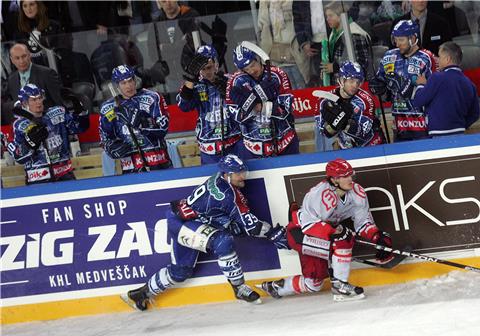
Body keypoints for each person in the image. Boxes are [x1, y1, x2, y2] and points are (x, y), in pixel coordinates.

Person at [121, 154, 289, 310]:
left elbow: (220, 214)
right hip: (183, 223)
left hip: (185, 221)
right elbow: (252, 227)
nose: (243, 176)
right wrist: (273, 233)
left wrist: (231, 224)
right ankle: (239, 288)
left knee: (181, 272)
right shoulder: (227, 194)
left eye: (243, 171)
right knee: (223, 242)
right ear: (226, 174)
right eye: (238, 173)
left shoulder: (222, 182)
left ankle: (139, 294)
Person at [258, 158, 398, 302]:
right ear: (334, 179)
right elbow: (309, 225)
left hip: (318, 233)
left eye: (351, 174)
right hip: (300, 233)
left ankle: (276, 287)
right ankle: (339, 286)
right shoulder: (318, 195)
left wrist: (376, 236)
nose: (351, 179)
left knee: (313, 284)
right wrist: (334, 233)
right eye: (345, 176)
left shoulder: (357, 193)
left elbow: (363, 222)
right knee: (343, 239)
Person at [226, 43, 299, 159]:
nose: (251, 71)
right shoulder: (235, 81)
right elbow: (235, 116)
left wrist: (254, 105)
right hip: (253, 146)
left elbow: (286, 109)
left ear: (258, 58)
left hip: (285, 142)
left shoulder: (278, 74)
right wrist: (261, 96)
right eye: (246, 69)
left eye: (253, 65)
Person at [6, 84, 89, 185]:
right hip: (37, 179)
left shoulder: (58, 112)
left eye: (40, 98)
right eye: (33, 100)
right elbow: (19, 157)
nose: (38, 102)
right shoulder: (20, 125)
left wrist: (79, 111)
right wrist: (29, 143)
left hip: (65, 175)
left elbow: (80, 128)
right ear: (24, 103)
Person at [369, 19, 436, 141]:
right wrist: (378, 87)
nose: (397, 43)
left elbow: (435, 89)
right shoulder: (389, 56)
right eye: (395, 39)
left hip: (422, 124)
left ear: (413, 38)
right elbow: (382, 85)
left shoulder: (426, 58)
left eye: (401, 40)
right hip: (399, 124)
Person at [98, 65, 172, 174]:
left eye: (130, 81)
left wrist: (143, 124)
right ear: (117, 86)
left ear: (135, 80)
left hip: (158, 161)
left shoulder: (152, 97)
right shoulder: (108, 108)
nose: (128, 86)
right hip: (130, 167)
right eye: (123, 83)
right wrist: (110, 148)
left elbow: (163, 129)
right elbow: (105, 138)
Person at [177, 45, 242, 164]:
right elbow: (183, 106)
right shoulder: (194, 86)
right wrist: (190, 79)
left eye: (209, 67)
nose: (207, 72)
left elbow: (244, 103)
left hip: (234, 142)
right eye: (203, 68)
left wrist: (228, 90)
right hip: (209, 148)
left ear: (216, 63)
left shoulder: (231, 80)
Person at [404, 41, 479, 136]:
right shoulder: (469, 83)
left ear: (447, 59)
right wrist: (461, 125)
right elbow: (475, 114)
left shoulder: (437, 78)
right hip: (460, 134)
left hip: (438, 135)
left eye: (439, 56)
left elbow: (418, 101)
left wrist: (421, 85)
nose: (437, 60)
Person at [316, 61, 384, 149]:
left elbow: (363, 132)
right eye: (351, 81)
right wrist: (333, 126)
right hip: (345, 148)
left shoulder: (366, 101)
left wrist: (345, 122)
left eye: (358, 82)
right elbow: (324, 133)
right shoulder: (324, 100)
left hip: (371, 145)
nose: (355, 85)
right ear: (341, 80)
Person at [257, 0, 310, 88]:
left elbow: (304, 20)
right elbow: (261, 26)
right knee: (284, 89)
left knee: (302, 88)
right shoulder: (265, 2)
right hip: (276, 56)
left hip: (296, 53)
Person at [322, 1, 372, 84]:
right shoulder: (334, 33)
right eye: (326, 16)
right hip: (340, 86)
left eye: (330, 16)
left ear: (341, 16)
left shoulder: (355, 34)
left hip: (353, 87)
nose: (327, 19)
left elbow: (361, 64)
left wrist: (335, 67)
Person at [7, 43, 63, 108]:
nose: (21, 61)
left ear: (29, 55)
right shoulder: (11, 80)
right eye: (17, 58)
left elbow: (59, 103)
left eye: (24, 56)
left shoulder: (47, 74)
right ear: (12, 60)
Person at [12, 0, 63, 67]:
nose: (28, 9)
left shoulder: (54, 25)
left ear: (39, 5)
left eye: (32, 4)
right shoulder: (19, 31)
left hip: (53, 68)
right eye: (25, 6)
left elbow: (63, 51)